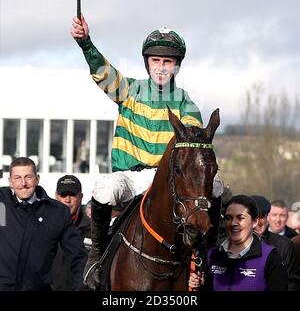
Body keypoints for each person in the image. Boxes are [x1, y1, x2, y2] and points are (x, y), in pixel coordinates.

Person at [71, 15, 224, 289]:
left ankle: (203, 253)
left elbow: (192, 154)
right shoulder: (129, 90)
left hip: (167, 180)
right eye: (156, 61)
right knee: (105, 189)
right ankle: (96, 254)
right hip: (130, 177)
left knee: (218, 187)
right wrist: (85, 43)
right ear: (147, 63)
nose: (161, 67)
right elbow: (101, 70)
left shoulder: (187, 105)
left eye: (168, 62)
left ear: (176, 66)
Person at [0, 157, 87, 291]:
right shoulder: (2, 205)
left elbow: (79, 257)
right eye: (17, 178)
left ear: (37, 179)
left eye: (28, 177)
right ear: (10, 182)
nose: (23, 183)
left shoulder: (57, 212)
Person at [189, 195, 288, 291]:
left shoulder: (270, 256)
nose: (233, 223)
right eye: (229, 218)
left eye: (240, 218)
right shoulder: (213, 254)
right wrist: (200, 285)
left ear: (254, 222)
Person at [251, 195, 300, 291]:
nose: (278, 220)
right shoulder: (229, 244)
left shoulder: (288, 243)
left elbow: (292, 283)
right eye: (274, 215)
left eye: (262, 217)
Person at [51, 175, 91, 291]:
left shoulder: (93, 228)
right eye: (63, 195)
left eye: (72, 195)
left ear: (81, 197)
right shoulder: (44, 224)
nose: (67, 200)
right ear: (56, 196)